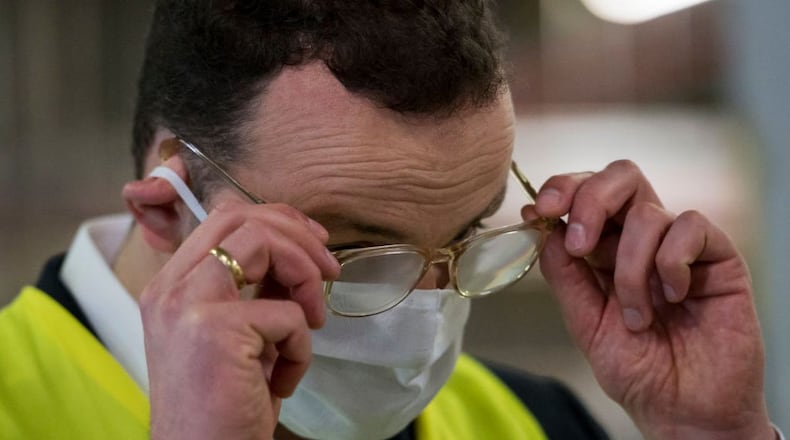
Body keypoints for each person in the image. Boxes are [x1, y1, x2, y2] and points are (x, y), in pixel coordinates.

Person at [0, 1, 782, 439]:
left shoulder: (527, 425)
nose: (423, 323)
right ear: (169, 204)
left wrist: (713, 436)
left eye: (469, 236)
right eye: (355, 250)